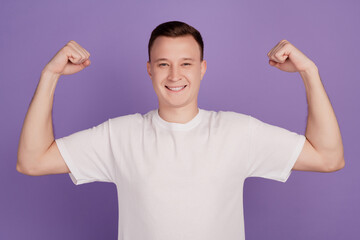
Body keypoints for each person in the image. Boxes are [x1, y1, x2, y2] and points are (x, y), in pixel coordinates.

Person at [17, 21, 345, 240]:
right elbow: (32, 161)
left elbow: (329, 157)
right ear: (149, 69)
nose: (175, 75)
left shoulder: (238, 132)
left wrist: (309, 71)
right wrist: (50, 75)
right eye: (163, 64)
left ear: (202, 68)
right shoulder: (119, 136)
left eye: (186, 63)